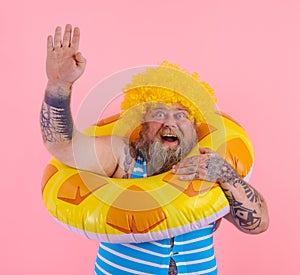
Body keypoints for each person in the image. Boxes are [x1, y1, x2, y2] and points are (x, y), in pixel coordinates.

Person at [40, 24, 269, 275]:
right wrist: (58, 86)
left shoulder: (208, 165)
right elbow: (63, 145)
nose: (170, 122)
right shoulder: (124, 159)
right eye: (159, 113)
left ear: (193, 124)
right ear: (142, 124)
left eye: (181, 114)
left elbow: (257, 225)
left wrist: (227, 177)